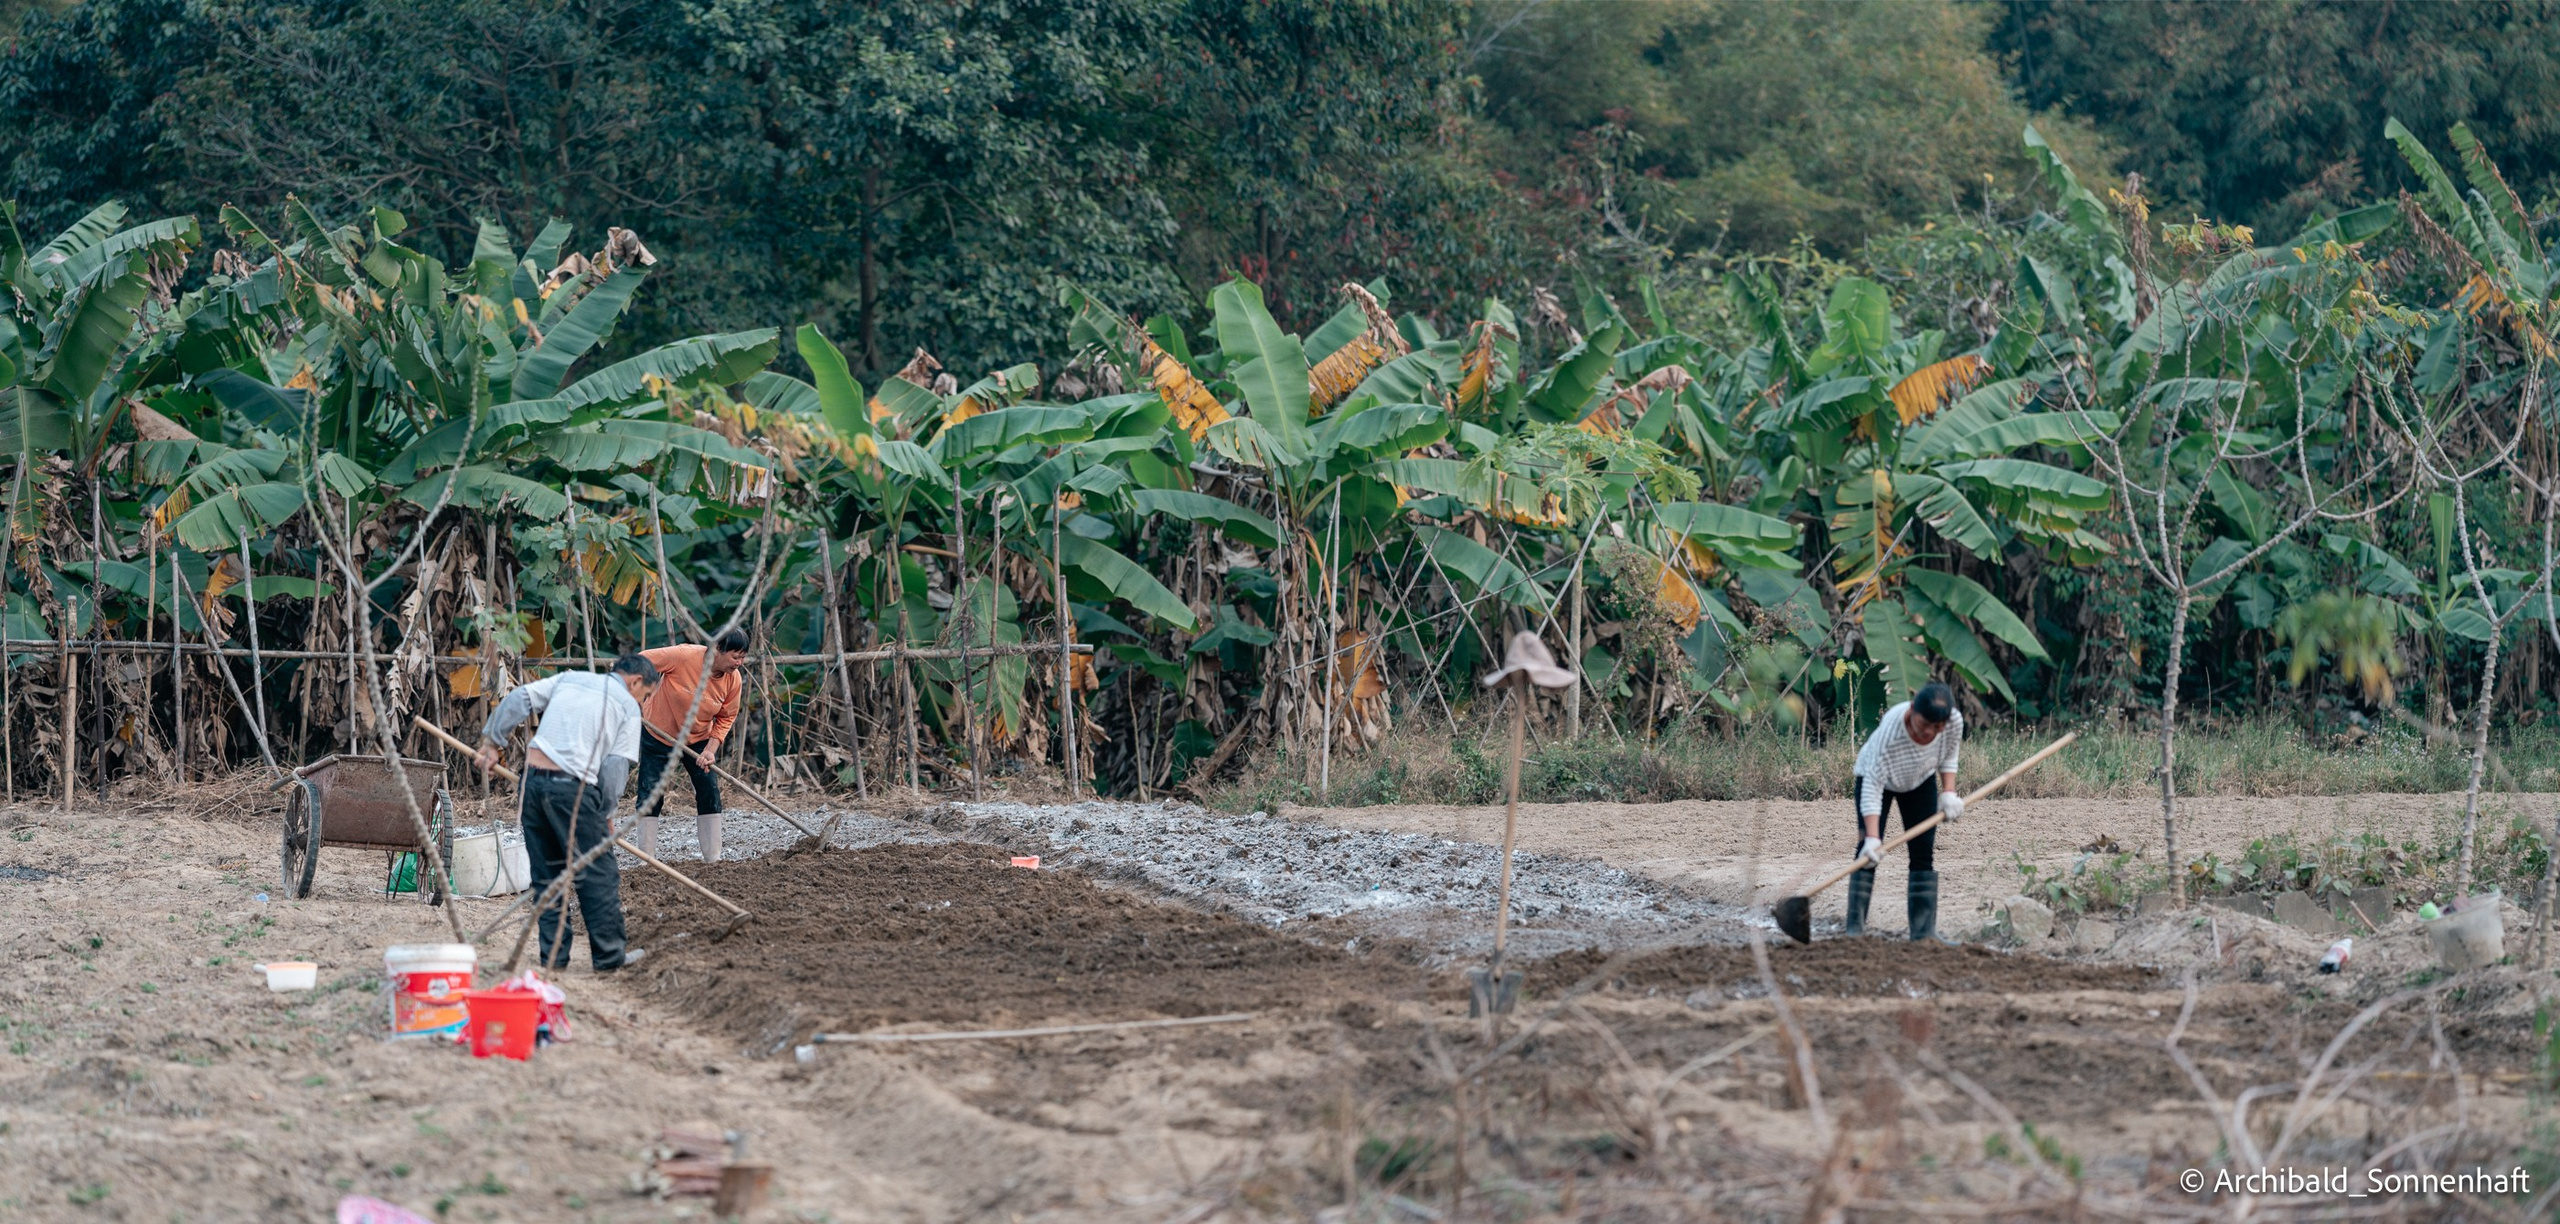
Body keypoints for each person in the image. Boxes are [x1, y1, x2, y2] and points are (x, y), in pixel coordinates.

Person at [476, 652, 659, 972]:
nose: (642, 702)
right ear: (636, 681)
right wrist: (606, 812)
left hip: (532, 784)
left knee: (548, 874)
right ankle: (609, 958)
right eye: (645, 696)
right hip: (572, 790)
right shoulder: (628, 706)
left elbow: (519, 698)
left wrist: (492, 742)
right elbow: (615, 768)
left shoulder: (571, 678)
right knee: (598, 872)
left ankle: (554, 958)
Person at [1847, 681, 1965, 941]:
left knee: (1923, 851)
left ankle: (1923, 933)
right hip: (1878, 780)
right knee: (1867, 853)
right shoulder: (1891, 732)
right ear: (1912, 710)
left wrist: (1948, 792)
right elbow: (1872, 786)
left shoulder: (1953, 722)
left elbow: (1949, 754)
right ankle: (1854, 931)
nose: (1929, 732)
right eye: (1925, 725)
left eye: (1937, 727)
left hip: (1920, 778)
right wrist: (1873, 838)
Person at [635, 629, 749, 862]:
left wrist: (710, 750)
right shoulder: (683, 656)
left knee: (709, 792)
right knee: (651, 793)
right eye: (735, 656)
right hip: (658, 734)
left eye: (743, 657)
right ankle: (645, 860)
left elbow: (726, 716)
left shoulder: (733, 680)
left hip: (698, 739)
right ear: (716, 649)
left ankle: (713, 859)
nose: (739, 663)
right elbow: (640, 661)